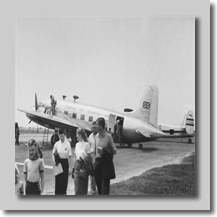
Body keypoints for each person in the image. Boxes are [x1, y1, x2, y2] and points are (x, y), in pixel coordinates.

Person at [94, 117, 117, 195]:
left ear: (101, 126)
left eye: (97, 125)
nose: (95, 126)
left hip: (105, 164)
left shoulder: (108, 136)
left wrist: (105, 151)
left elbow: (114, 150)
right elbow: (94, 152)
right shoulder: (96, 136)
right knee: (99, 189)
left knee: (105, 190)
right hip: (97, 164)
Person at [52, 129, 72, 195]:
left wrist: (70, 167)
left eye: (62, 136)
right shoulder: (56, 144)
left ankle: (63, 194)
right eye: (60, 136)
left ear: (65, 135)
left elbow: (70, 156)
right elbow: (53, 153)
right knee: (58, 181)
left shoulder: (68, 144)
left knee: (64, 181)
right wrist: (54, 162)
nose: (61, 138)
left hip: (65, 163)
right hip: (58, 162)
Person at [72, 128, 92, 195]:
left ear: (80, 135)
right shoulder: (76, 145)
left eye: (77, 134)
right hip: (77, 168)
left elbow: (90, 157)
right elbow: (75, 157)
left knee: (83, 188)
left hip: (83, 168)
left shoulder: (86, 145)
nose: (76, 136)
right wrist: (73, 168)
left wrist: (84, 160)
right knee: (77, 189)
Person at [88, 121, 98, 195]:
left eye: (94, 128)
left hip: (98, 158)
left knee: (99, 177)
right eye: (92, 127)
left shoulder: (100, 136)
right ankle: (93, 191)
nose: (93, 129)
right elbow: (89, 148)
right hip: (92, 158)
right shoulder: (90, 137)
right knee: (92, 177)